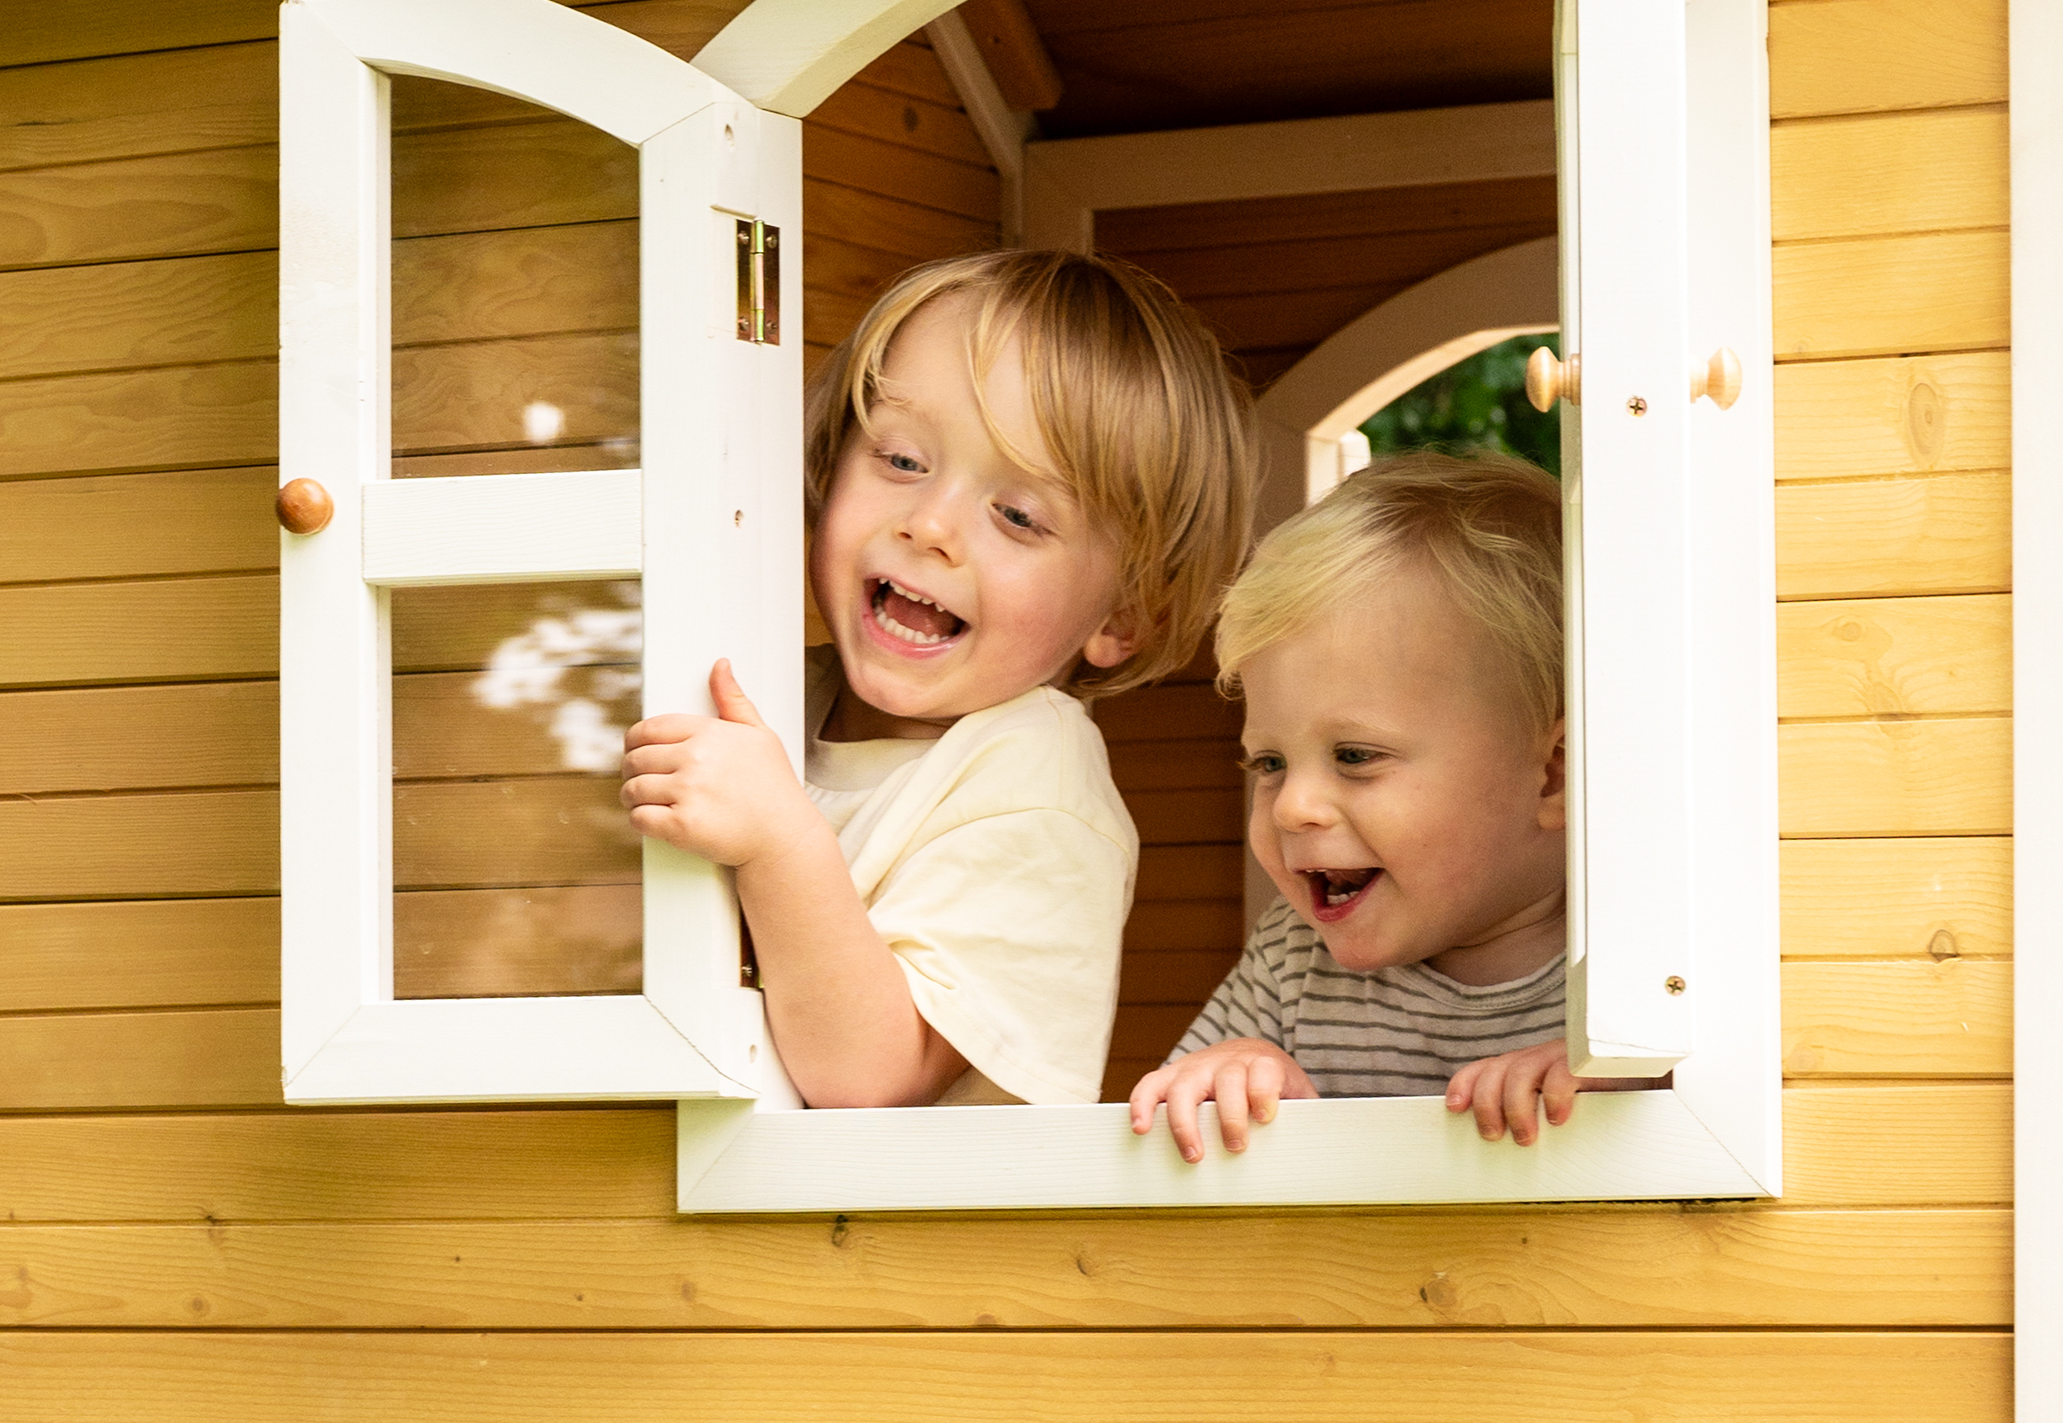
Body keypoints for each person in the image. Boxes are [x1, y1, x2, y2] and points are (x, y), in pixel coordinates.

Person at [622, 248, 1253, 1108]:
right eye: (904, 461)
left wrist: (779, 840)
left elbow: (872, 1079)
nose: (930, 525)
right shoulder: (770, 687)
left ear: (1123, 617)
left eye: (1019, 515)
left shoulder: (1039, 786)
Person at [1128, 451, 1575, 1160]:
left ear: (1551, 778)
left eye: (1356, 757)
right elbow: (1170, 1124)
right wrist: (1231, 1073)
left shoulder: (1638, 962)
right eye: (1269, 763)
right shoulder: (1293, 959)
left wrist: (1625, 1087)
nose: (1291, 807)